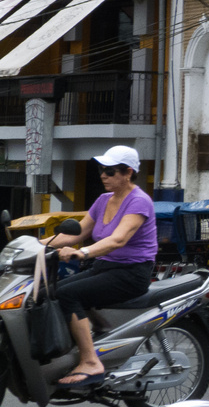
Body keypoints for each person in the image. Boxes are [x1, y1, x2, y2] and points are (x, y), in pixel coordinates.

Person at [44, 145, 157, 386]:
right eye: (101, 170)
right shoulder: (104, 200)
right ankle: (100, 329)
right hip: (104, 268)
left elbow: (118, 239)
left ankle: (91, 362)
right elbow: (75, 234)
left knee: (67, 293)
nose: (103, 175)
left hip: (132, 273)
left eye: (110, 170)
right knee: (49, 292)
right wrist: (33, 245)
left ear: (128, 172)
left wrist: (82, 253)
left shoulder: (139, 201)